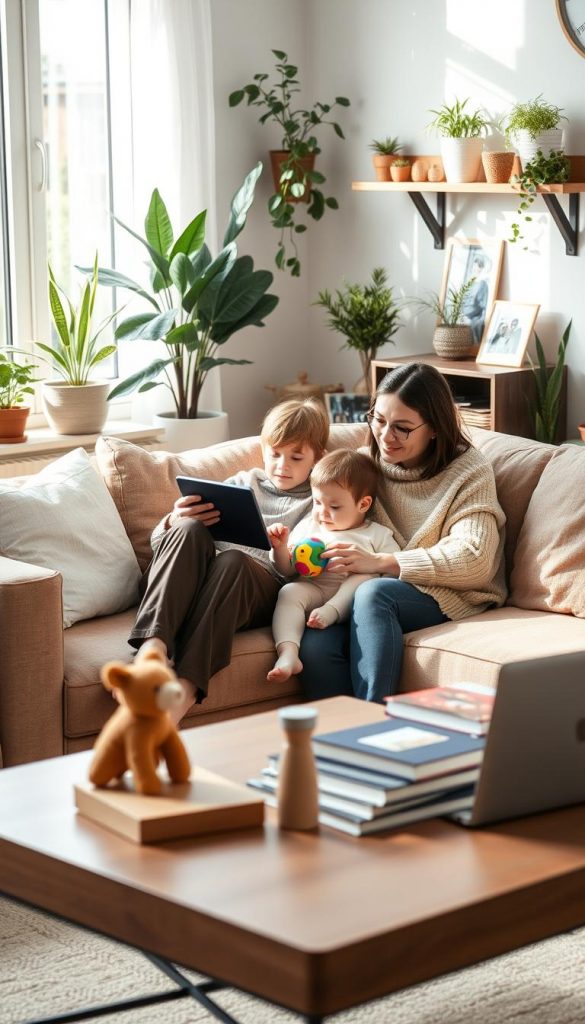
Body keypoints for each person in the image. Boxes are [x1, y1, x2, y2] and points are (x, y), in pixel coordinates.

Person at [299, 363, 507, 703]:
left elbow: (475, 558)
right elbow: (307, 501)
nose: (386, 436)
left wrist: (383, 561)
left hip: (446, 592)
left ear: (436, 428)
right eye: (378, 420)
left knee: (373, 595)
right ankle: (340, 743)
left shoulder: (468, 470)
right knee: (316, 643)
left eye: (403, 428)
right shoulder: (364, 466)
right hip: (373, 586)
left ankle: (373, 723)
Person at [128, 398, 330, 722]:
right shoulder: (242, 482)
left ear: (318, 457)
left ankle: (184, 691)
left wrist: (281, 547)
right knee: (191, 526)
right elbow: (158, 547)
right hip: (188, 580)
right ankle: (153, 648)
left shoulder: (317, 502)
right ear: (263, 448)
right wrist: (173, 520)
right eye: (275, 454)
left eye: (296, 457)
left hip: (249, 589)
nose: (282, 465)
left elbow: (295, 574)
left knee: (233, 560)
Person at [266, 449, 400, 683]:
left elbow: (394, 569)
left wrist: (369, 564)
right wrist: (280, 549)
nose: (322, 513)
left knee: (365, 579)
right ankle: (288, 653)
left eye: (334, 507)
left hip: (351, 599)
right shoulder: (309, 527)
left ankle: (331, 612)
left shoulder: (376, 534)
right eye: (317, 502)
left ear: (363, 504)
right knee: (289, 591)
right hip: (314, 589)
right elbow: (287, 571)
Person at [461, 253, 491, 344]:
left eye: (478, 266)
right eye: (474, 265)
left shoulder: (483, 284)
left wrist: (478, 321)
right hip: (464, 316)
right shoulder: (469, 282)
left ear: (482, 268)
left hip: (474, 318)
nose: (475, 268)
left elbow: (484, 307)